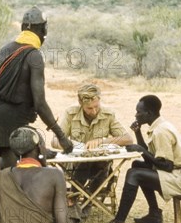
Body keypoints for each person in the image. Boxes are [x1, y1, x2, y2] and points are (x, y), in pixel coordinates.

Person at [91, 95, 181, 223]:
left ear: (149, 114)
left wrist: (141, 149)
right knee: (137, 166)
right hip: (178, 173)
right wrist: (137, 133)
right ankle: (154, 214)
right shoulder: (159, 126)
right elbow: (152, 156)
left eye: (139, 112)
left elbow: (167, 165)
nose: (136, 115)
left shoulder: (161, 131)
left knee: (134, 174)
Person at [0, 6, 73, 170]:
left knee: (11, 166)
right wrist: (61, 136)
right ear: (43, 29)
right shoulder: (34, 56)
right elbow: (39, 103)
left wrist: (2, 110)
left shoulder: (4, 51)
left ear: (23, 28)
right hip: (12, 120)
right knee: (19, 176)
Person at [51, 83, 133, 211]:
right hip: (74, 165)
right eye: (89, 108)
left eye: (96, 106)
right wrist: (71, 145)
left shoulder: (108, 114)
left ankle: (83, 201)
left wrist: (103, 141)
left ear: (99, 100)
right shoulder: (71, 113)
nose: (94, 111)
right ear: (80, 103)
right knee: (86, 164)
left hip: (99, 165)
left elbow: (128, 139)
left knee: (101, 164)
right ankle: (84, 199)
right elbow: (54, 141)